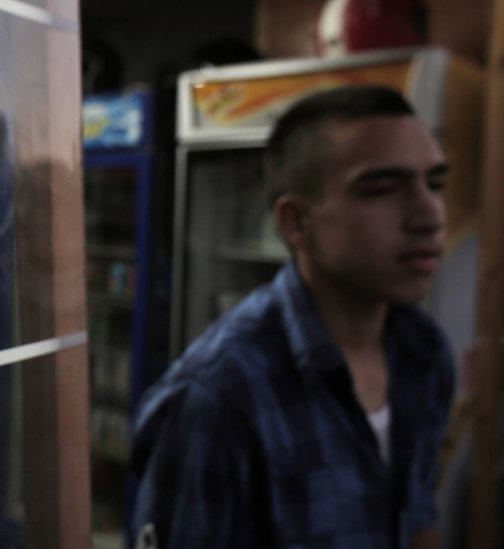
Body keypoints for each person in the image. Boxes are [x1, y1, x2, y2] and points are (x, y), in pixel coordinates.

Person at [130, 85, 454, 549]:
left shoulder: (424, 354)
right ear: (296, 223)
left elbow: (418, 517)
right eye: (382, 190)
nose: (429, 216)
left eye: (435, 184)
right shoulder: (219, 397)